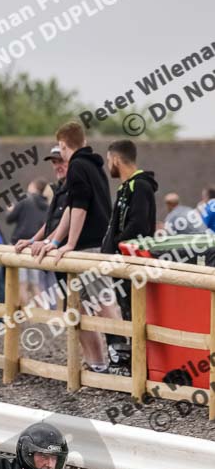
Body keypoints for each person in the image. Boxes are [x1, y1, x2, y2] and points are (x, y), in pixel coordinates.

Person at [31, 122, 119, 373]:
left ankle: (124, 359)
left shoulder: (79, 166)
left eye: (60, 151)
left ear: (63, 145)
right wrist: (53, 241)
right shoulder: (92, 166)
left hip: (88, 246)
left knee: (103, 304)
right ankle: (101, 362)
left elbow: (80, 207)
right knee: (81, 307)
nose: (58, 162)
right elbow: (69, 211)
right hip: (88, 245)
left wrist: (67, 243)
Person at [101, 140, 158, 372]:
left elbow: (139, 224)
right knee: (125, 312)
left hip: (133, 261)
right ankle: (131, 363)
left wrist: (116, 245)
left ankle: (142, 367)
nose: (108, 165)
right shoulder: (124, 187)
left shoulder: (140, 186)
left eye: (108, 160)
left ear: (115, 159)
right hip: (119, 261)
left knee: (137, 313)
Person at [15, 146, 69, 309]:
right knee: (74, 312)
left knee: (99, 307)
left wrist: (47, 242)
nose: (57, 165)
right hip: (56, 250)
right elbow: (51, 222)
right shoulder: (59, 188)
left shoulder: (72, 187)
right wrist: (33, 240)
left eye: (61, 161)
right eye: (54, 162)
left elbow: (66, 222)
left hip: (69, 250)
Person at [8, 178, 50, 305]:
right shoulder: (47, 206)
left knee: (22, 284)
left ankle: (25, 318)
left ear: (33, 186)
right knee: (35, 284)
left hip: (20, 245)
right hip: (36, 246)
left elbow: (10, 219)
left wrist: (12, 209)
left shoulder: (24, 200)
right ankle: (43, 312)